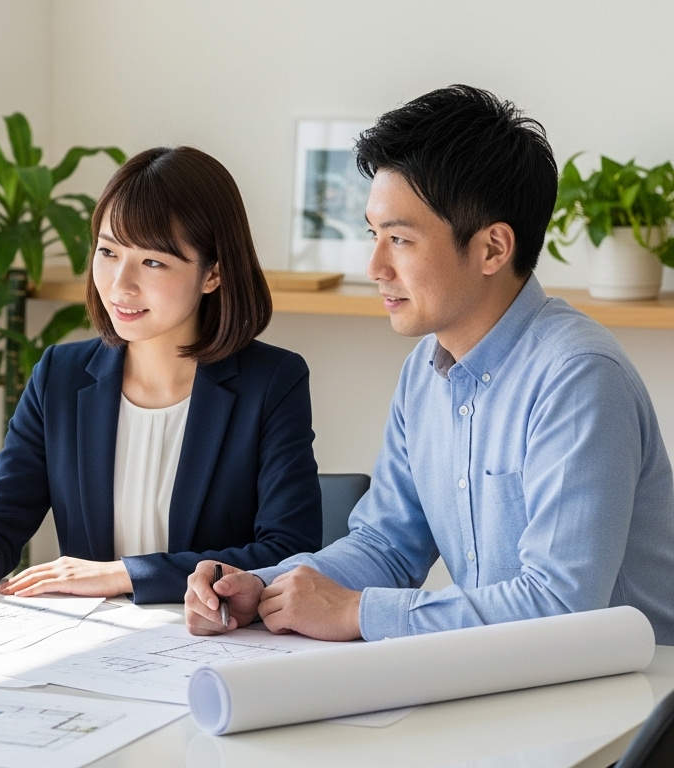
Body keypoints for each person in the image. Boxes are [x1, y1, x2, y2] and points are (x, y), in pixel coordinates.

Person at [185, 85, 674, 643]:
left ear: (492, 248)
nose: (374, 266)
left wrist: (355, 613)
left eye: (399, 240)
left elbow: (561, 604)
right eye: (374, 235)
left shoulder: (579, 376)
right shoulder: (426, 369)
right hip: (505, 680)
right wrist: (263, 589)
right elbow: (386, 546)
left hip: (632, 700)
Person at [0, 146, 323, 610]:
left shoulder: (271, 383)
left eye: (153, 262)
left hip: (211, 641)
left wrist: (123, 574)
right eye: (107, 252)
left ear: (212, 274)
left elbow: (288, 550)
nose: (120, 284)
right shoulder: (59, 376)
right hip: (88, 640)